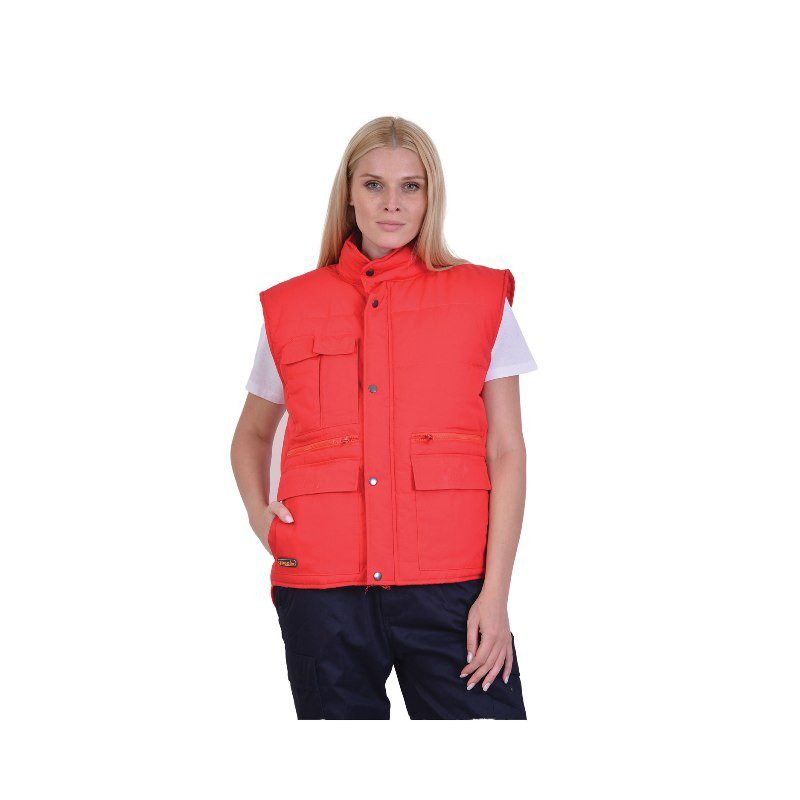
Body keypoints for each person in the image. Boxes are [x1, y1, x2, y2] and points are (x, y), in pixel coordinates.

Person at [230, 116, 538, 720]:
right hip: (321, 588)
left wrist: (495, 595)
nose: (391, 203)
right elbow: (252, 434)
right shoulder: (291, 306)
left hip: (452, 587)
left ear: (431, 195)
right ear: (349, 193)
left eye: (410, 186)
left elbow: (507, 450)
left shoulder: (481, 298)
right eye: (373, 185)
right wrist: (260, 519)